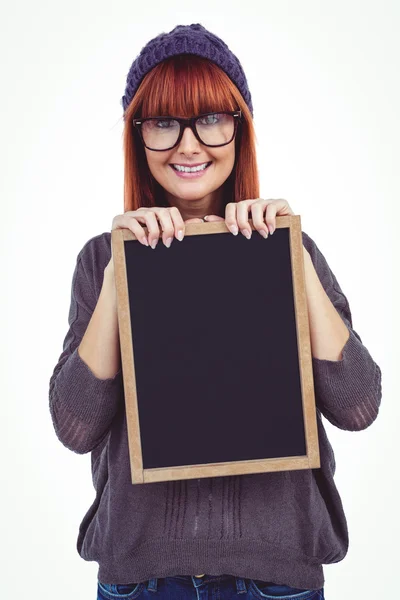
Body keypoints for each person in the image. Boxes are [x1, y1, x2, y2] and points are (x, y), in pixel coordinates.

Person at [48, 23, 382, 600]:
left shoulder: (293, 250)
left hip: (276, 578)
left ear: (239, 129)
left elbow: (358, 405)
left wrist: (290, 256)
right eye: (162, 123)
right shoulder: (101, 260)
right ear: (137, 136)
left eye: (210, 118)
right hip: (144, 579)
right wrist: (118, 274)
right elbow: (74, 426)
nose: (188, 144)